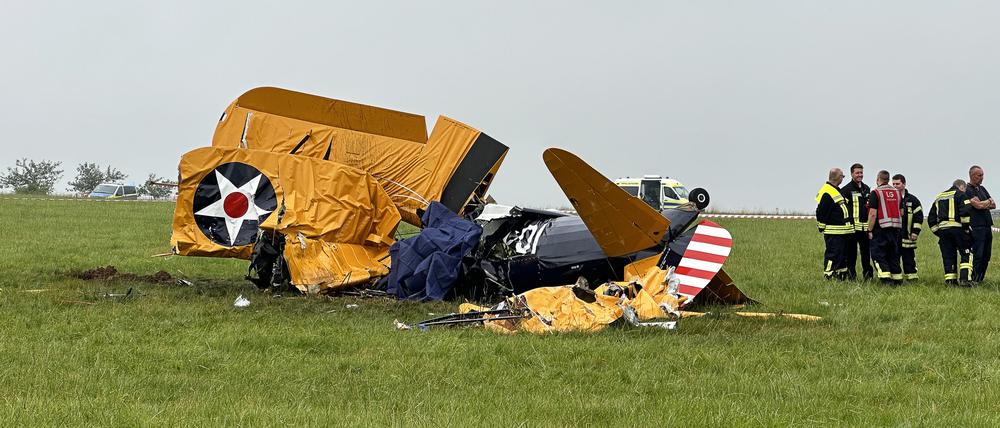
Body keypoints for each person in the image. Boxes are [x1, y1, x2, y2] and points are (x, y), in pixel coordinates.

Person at [928, 179, 973, 286]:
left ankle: (950, 281)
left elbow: (931, 219)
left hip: (943, 232)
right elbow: (965, 213)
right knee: (966, 253)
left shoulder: (939, 197)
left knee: (948, 256)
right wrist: (966, 229)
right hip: (958, 230)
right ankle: (964, 279)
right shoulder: (961, 195)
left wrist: (938, 233)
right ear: (962, 187)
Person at [866, 170, 904, 285]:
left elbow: (872, 214)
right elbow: (901, 212)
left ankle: (886, 280)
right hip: (895, 229)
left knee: (878, 254)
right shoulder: (897, 193)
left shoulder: (876, 193)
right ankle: (897, 279)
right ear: (888, 180)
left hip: (880, 229)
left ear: (878, 179)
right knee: (893, 255)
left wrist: (869, 230)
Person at [816, 168, 852, 280]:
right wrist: (821, 226)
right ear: (837, 177)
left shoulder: (835, 189)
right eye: (842, 176)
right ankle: (829, 274)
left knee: (842, 255)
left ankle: (841, 274)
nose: (843, 178)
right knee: (833, 254)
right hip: (834, 231)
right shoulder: (828, 191)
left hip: (842, 231)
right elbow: (821, 211)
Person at [841, 163, 873, 280]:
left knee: (866, 254)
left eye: (861, 172)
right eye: (857, 173)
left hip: (865, 229)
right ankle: (851, 276)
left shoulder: (867, 189)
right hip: (852, 229)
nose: (860, 175)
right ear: (851, 174)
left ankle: (868, 276)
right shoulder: (846, 190)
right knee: (851, 255)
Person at [965, 166, 995, 283]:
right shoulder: (968, 190)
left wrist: (984, 203)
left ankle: (981, 278)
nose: (982, 178)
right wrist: (986, 202)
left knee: (987, 255)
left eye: (982, 175)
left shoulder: (982, 189)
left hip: (987, 225)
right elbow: (978, 206)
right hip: (977, 226)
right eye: (979, 175)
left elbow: (993, 204)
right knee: (979, 254)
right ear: (972, 176)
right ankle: (974, 279)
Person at [892, 174, 923, 281]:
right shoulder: (890, 199)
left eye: (898, 184)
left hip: (908, 235)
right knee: (894, 258)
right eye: (893, 184)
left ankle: (912, 279)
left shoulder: (913, 200)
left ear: (904, 184)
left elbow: (919, 217)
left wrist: (915, 232)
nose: (895, 186)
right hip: (894, 236)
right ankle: (896, 280)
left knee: (909, 258)